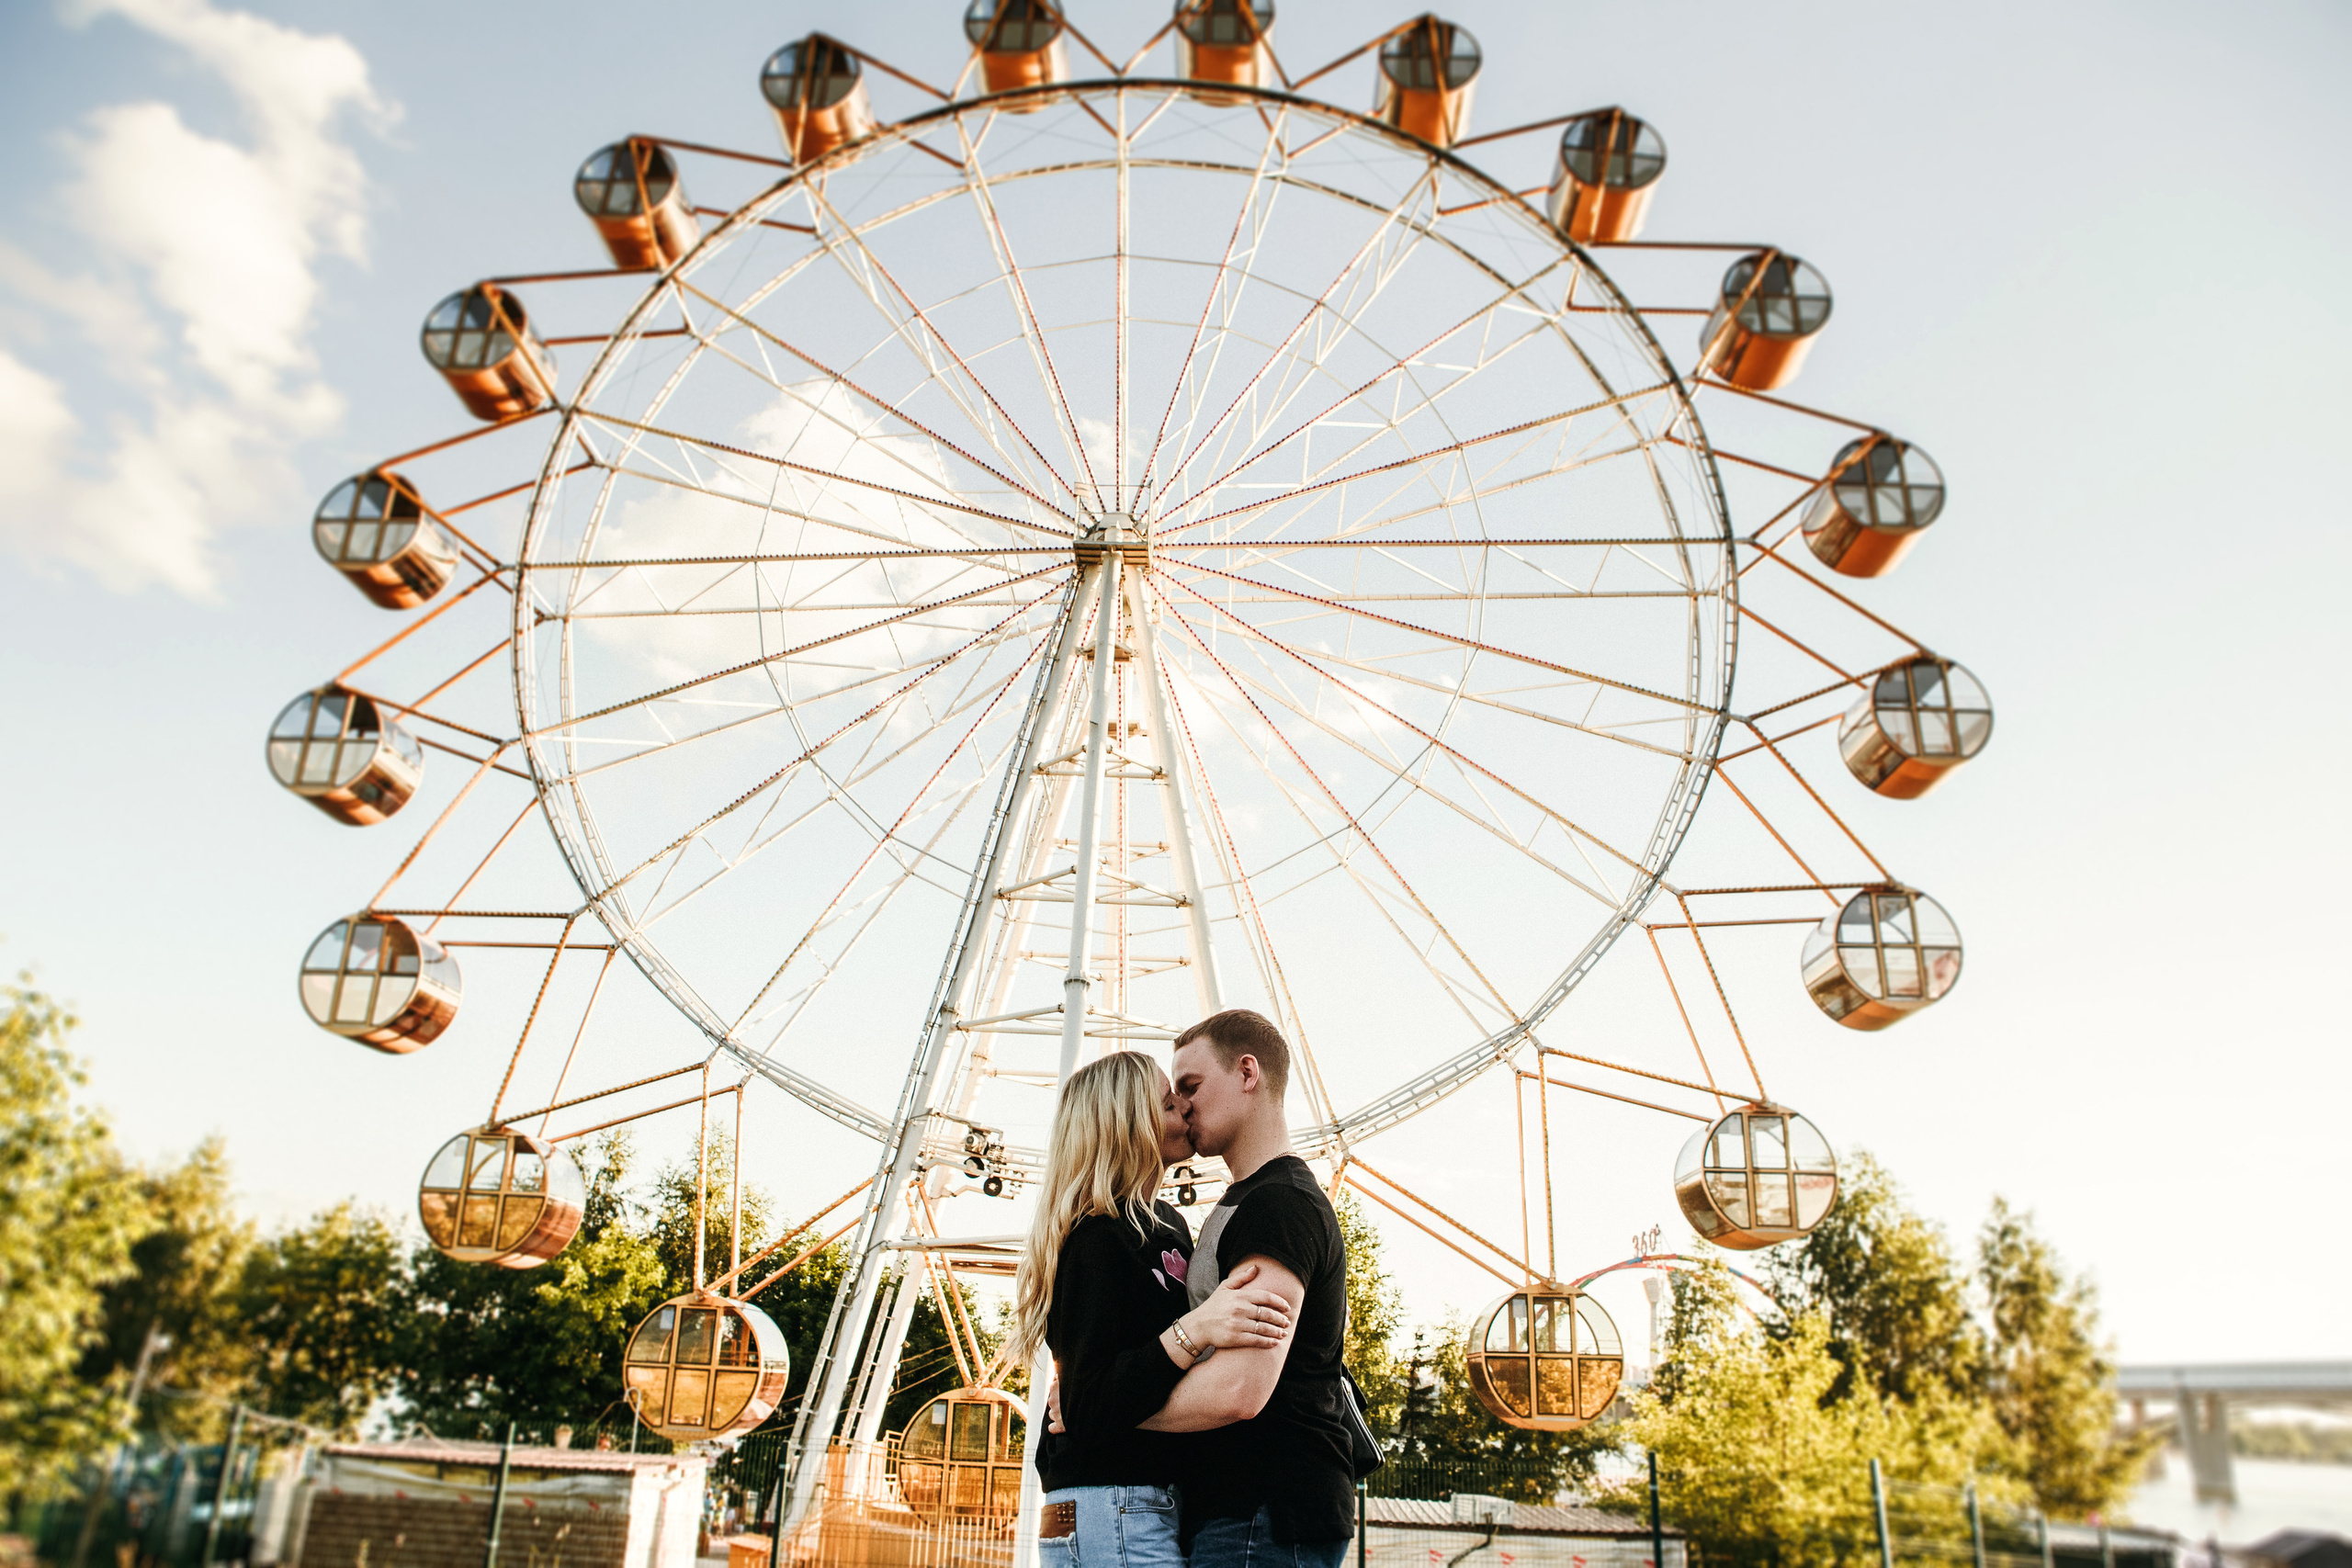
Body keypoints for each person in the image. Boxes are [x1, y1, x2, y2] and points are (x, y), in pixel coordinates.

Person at [1010, 1049, 1297, 1568]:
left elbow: (1099, 1388)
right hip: (1111, 1500)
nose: (1186, 1111)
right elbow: (1092, 1402)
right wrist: (1194, 1329)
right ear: (1130, 1127)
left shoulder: (1167, 1224)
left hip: (1151, 1499)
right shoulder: (1096, 1238)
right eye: (1169, 1104)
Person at [1138, 1009, 1356, 1568]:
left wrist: (1106, 1408)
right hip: (1242, 1507)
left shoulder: (1279, 1205)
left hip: (1267, 1508)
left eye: (1191, 1085)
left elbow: (1240, 1388)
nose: (1180, 1105)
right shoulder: (1245, 1202)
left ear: (1248, 1073)